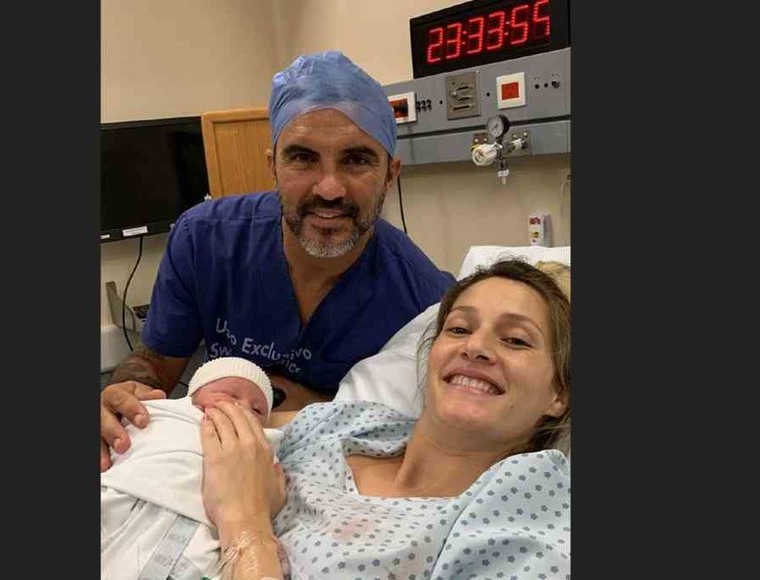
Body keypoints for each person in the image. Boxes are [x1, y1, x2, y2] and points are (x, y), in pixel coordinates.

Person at [100, 50, 455, 471]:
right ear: (273, 166)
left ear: (390, 174)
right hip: (208, 460)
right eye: (302, 158)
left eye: (356, 160)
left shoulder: (424, 302)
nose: (329, 189)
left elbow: (429, 431)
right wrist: (125, 391)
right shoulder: (205, 240)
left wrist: (313, 407)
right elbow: (155, 363)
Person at [198, 259, 571, 579]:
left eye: (515, 340)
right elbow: (216, 418)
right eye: (459, 329)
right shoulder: (352, 424)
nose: (475, 347)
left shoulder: (528, 521)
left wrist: (246, 527)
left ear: (559, 394)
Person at [101, 357, 285, 580]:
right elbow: (127, 417)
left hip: (201, 537)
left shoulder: (265, 446)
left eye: (257, 410)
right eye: (229, 395)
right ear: (192, 398)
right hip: (132, 496)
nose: (243, 408)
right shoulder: (170, 412)